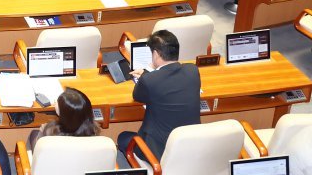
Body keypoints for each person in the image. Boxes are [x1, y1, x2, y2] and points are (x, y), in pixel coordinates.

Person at [116, 30, 201, 161]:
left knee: (123, 137)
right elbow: (167, 83)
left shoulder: (149, 80)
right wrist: (148, 74)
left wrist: (148, 72)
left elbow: (138, 95)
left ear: (155, 54)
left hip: (158, 151)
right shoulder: (192, 70)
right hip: (189, 146)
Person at [27, 87, 99, 150]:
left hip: (52, 162)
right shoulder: (93, 131)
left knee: (33, 133)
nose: (55, 102)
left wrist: (42, 132)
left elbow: (40, 150)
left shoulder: (49, 131)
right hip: (79, 164)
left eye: (58, 102)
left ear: (64, 115)